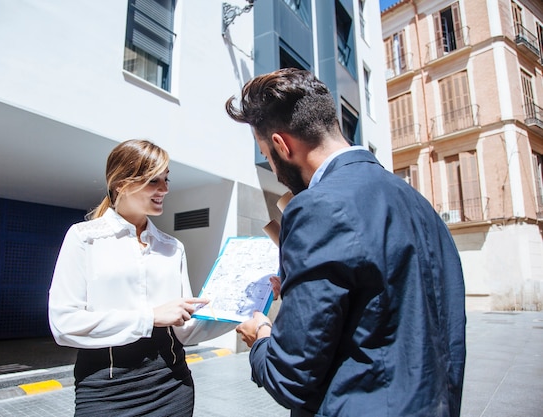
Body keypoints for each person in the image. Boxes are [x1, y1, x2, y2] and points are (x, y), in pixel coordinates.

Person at [228, 68, 466, 417]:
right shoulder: (417, 202)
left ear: (281, 145)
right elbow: (388, 308)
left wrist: (261, 337)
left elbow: (289, 375)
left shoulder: (317, 206)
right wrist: (299, 291)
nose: (273, 167)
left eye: (267, 155)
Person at [48, 139, 234, 416]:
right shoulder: (84, 238)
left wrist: (241, 311)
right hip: (105, 392)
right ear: (121, 183)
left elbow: (185, 329)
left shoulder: (172, 247)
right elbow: (64, 324)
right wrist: (149, 317)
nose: (165, 189)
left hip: (172, 387)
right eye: (153, 181)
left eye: (166, 179)